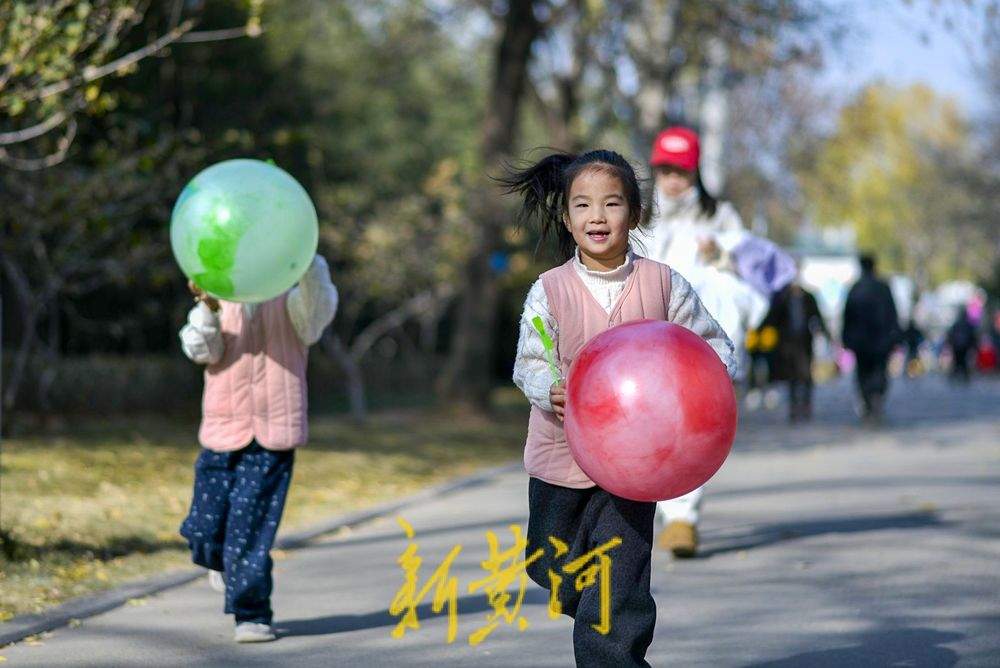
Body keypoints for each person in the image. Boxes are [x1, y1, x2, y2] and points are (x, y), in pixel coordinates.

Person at [506, 149, 736, 667]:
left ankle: (613, 654)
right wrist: (549, 388)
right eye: (583, 205)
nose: (597, 216)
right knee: (550, 565)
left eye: (611, 204)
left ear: (633, 215)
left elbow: (714, 347)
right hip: (561, 460)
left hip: (639, 465)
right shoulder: (550, 291)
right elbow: (530, 360)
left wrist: (705, 384)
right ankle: (587, 597)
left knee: (617, 588)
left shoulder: (663, 284)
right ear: (567, 218)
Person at [178, 255, 338, 643]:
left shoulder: (294, 289)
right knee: (202, 528)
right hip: (221, 426)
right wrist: (206, 306)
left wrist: (306, 259)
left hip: (273, 433)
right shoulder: (221, 287)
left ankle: (251, 614)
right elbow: (202, 351)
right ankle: (223, 563)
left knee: (249, 527)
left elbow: (315, 320)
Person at [632, 125, 770, 557]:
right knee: (648, 424)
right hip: (643, 335)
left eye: (682, 171)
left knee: (689, 425)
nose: (674, 180)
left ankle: (682, 516)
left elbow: (751, 273)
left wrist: (721, 256)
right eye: (666, 170)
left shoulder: (720, 217)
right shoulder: (638, 213)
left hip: (697, 338)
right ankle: (655, 503)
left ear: (695, 173)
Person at [842, 254, 900, 423]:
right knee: (879, 370)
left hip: (861, 341)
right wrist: (895, 336)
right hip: (880, 340)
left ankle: (869, 400)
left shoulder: (855, 288)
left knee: (863, 372)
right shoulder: (882, 287)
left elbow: (847, 316)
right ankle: (875, 397)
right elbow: (892, 314)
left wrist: (846, 338)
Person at [763, 279, 829, 421]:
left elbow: (817, 317)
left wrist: (826, 334)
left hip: (804, 343)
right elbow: (771, 318)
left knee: (805, 375)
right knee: (792, 376)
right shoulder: (782, 297)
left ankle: (806, 405)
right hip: (787, 345)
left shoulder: (808, 296)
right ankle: (794, 407)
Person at [946, 306, 976, 383]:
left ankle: (955, 378)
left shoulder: (956, 324)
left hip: (957, 346)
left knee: (957, 362)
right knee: (962, 362)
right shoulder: (967, 325)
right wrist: (973, 346)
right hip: (963, 347)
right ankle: (964, 378)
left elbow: (950, 335)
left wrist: (950, 344)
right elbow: (972, 336)